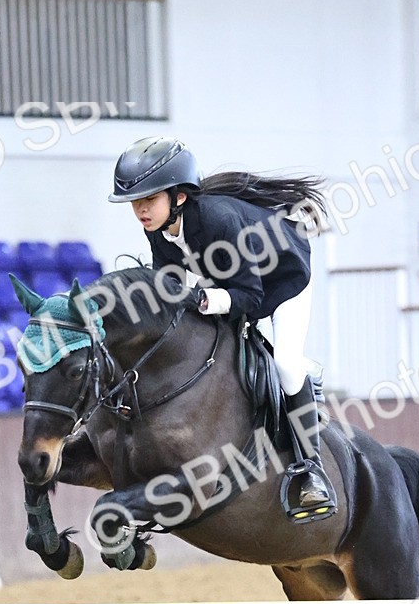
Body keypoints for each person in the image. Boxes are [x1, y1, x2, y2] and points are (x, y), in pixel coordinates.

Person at [109, 135, 332, 514]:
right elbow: (171, 284)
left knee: (285, 364)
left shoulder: (218, 219)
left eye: (149, 200)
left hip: (283, 281)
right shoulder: (157, 228)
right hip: (232, 283)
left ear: (179, 197)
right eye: (135, 203)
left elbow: (250, 298)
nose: (141, 211)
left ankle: (311, 469)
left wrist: (201, 298)